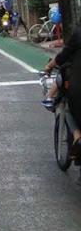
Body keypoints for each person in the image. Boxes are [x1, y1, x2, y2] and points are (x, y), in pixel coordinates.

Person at [43, 27, 81, 161]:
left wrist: (49, 66)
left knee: (68, 107)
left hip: (77, 87)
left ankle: (77, 136)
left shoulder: (78, 33)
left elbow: (62, 56)